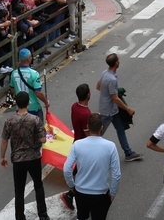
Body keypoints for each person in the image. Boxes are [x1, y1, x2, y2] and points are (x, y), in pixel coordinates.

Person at [0, 91, 49, 220]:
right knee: (38, 186)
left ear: (16, 103)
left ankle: (20, 217)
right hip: (33, 157)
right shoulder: (35, 120)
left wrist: (2, 157)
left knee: (19, 190)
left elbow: (4, 140)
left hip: (18, 160)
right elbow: (43, 139)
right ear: (28, 103)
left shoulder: (10, 121)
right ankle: (43, 215)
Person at [63, 113, 121, 220]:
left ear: (88, 127)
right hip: (101, 194)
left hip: (81, 192)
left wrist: (72, 186)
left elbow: (67, 169)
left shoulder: (77, 144)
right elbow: (116, 174)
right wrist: (113, 192)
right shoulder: (110, 146)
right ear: (101, 128)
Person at [96, 54, 142, 162]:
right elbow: (115, 98)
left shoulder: (104, 73)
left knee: (120, 129)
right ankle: (88, 152)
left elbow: (98, 86)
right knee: (98, 133)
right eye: (118, 60)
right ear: (116, 63)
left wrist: (109, 92)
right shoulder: (111, 79)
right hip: (108, 111)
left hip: (112, 110)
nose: (119, 61)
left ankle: (128, 152)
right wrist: (128, 109)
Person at [59, 83, 92, 211]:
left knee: (80, 171)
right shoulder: (85, 114)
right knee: (86, 174)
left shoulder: (74, 106)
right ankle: (70, 195)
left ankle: (71, 194)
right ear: (88, 95)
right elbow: (88, 133)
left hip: (77, 142)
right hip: (84, 146)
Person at [9, 48, 50, 124]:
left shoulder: (14, 73)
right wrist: (46, 102)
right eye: (31, 56)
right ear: (28, 59)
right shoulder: (34, 73)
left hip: (20, 108)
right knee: (38, 131)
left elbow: (12, 90)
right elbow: (38, 93)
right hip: (33, 108)